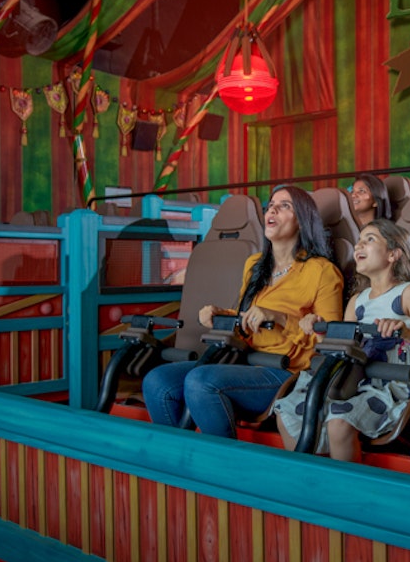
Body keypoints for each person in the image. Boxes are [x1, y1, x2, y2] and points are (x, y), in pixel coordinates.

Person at [141, 186, 344, 437]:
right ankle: (180, 462)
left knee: (201, 381)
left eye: (285, 206)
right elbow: (245, 319)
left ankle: (222, 467)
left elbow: (332, 340)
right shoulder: (254, 265)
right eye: (271, 204)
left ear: (302, 221)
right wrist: (220, 315)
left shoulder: (322, 271)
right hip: (244, 360)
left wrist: (280, 318)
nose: (272, 209)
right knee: (157, 381)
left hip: (286, 371)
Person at [274, 218, 410, 461]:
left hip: (397, 380)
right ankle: (312, 483)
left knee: (339, 422)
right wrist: (320, 332)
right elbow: (347, 347)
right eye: (358, 241)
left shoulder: (408, 293)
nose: (358, 246)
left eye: (370, 239)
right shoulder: (357, 301)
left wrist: (407, 334)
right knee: (287, 412)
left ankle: (345, 493)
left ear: (393, 254)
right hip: (358, 376)